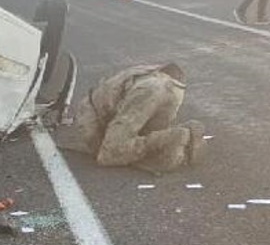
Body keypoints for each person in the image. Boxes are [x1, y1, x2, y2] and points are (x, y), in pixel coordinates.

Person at [74, 63, 206, 173]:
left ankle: (174, 136)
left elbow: (114, 128)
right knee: (144, 141)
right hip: (175, 88)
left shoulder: (90, 111)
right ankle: (184, 136)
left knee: (110, 154)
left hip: (148, 89)